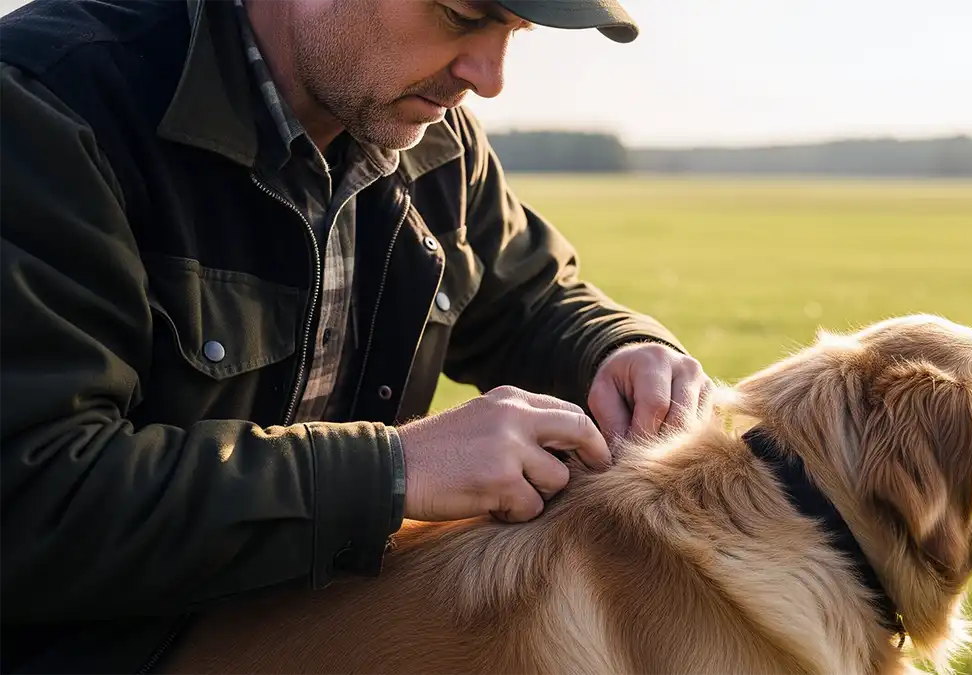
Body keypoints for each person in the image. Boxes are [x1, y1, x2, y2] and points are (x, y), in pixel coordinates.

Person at [0, 0, 713, 671]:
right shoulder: (46, 106)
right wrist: (393, 470)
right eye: (462, 15)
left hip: (316, 627)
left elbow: (531, 297)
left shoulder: (431, 135)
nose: (488, 80)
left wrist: (618, 347)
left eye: (516, 32)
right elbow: (34, 496)